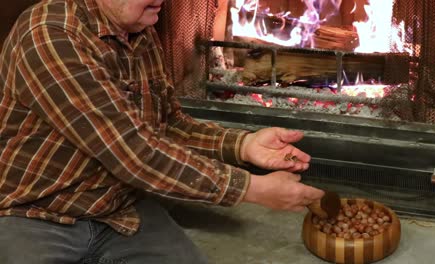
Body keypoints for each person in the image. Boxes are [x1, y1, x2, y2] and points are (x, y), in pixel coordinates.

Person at [0, 0, 325, 263]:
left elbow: (167, 125)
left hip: (121, 208)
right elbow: (132, 150)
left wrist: (243, 145)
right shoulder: (50, 34)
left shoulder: (139, 31)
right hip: (37, 214)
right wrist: (251, 189)